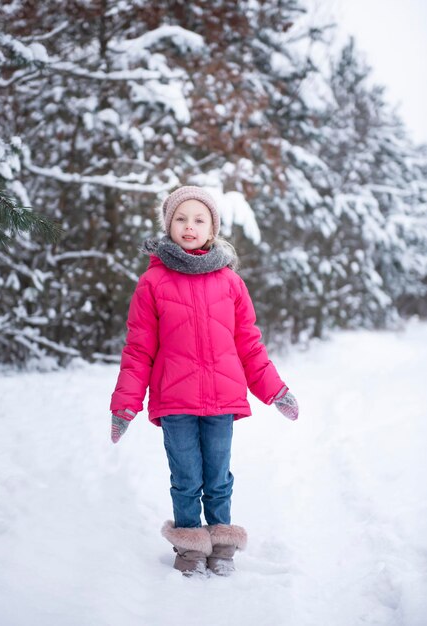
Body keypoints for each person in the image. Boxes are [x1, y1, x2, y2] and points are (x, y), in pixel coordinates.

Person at [110, 185, 299, 577]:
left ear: (212, 229)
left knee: (217, 477)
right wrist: (125, 404)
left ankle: (223, 543)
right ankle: (190, 546)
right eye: (180, 218)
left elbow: (249, 343)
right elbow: (138, 349)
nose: (189, 226)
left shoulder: (230, 283)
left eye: (199, 219)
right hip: (175, 400)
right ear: (168, 225)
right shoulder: (152, 284)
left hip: (222, 399)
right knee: (185, 478)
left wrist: (274, 389)